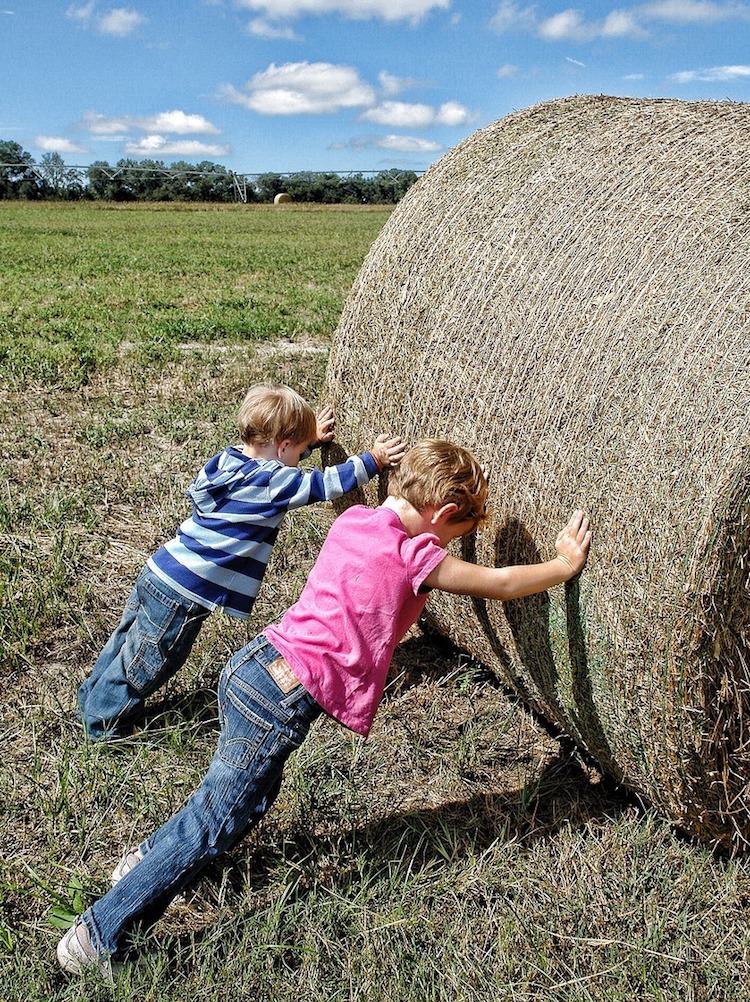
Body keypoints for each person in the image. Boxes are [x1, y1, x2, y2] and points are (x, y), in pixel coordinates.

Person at [57, 439, 592, 977]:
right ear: (445, 514)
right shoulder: (414, 555)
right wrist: (562, 566)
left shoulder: (356, 519)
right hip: (279, 698)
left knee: (244, 803)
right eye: (457, 535)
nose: (453, 547)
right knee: (215, 820)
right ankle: (99, 934)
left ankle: (146, 860)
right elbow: (498, 585)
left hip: (255, 666)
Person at [77, 382, 405, 742]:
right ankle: (104, 726)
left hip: (161, 569)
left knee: (125, 641)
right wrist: (372, 460)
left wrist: (308, 442)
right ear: (282, 447)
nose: (299, 460)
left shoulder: (229, 458)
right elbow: (324, 484)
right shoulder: (272, 481)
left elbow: (277, 466)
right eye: (297, 451)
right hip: (185, 592)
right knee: (148, 660)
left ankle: (91, 698)